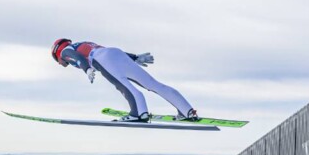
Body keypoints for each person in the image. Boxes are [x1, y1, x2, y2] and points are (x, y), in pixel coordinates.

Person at [51, 38, 198, 122]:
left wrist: (87, 69)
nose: (60, 63)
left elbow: (76, 58)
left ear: (57, 51)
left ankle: (138, 114)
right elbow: (109, 51)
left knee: (123, 85)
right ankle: (187, 111)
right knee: (153, 84)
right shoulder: (83, 43)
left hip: (101, 59)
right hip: (116, 53)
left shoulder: (64, 51)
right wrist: (135, 57)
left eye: (58, 60)